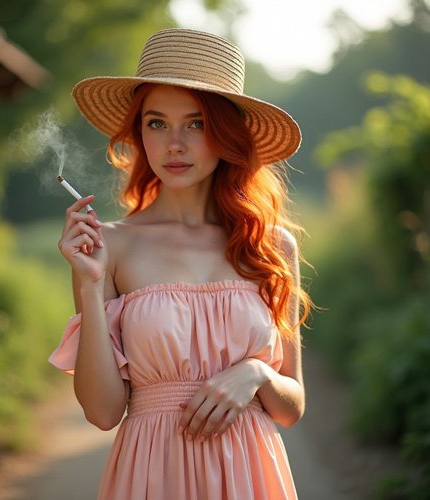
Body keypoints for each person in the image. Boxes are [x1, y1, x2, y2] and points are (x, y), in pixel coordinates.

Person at [49, 27, 311, 500]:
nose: (174, 143)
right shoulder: (111, 248)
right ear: (138, 133)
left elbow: (291, 407)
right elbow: (103, 413)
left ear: (227, 134)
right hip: (152, 475)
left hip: (251, 475)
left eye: (195, 123)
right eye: (156, 123)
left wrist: (256, 373)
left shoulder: (271, 246)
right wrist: (89, 285)